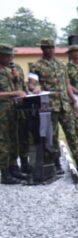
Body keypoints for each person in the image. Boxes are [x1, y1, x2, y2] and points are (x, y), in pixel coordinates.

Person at [29, 38, 78, 176]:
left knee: (72, 135)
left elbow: (67, 84)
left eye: (52, 47)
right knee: (53, 136)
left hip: (64, 104)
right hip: (49, 106)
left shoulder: (61, 65)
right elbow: (31, 84)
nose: (50, 50)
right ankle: (56, 163)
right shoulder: (36, 66)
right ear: (42, 49)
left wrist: (74, 101)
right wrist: (35, 87)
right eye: (47, 47)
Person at [0, 43, 29, 184]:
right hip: (1, 115)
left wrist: (17, 79)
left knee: (13, 141)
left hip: (12, 112)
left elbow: (18, 89)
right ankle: (5, 174)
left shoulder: (8, 70)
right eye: (7, 56)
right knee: (3, 143)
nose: (10, 58)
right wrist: (13, 93)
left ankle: (14, 169)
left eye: (11, 55)